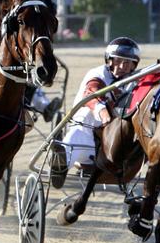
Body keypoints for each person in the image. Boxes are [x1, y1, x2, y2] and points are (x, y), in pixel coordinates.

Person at [50, 37, 140, 187]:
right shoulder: (98, 74)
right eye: (118, 60)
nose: (122, 66)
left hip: (114, 145)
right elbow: (91, 93)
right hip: (87, 137)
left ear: (133, 65)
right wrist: (104, 114)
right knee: (83, 124)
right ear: (109, 60)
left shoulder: (135, 81)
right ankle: (61, 161)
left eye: (128, 62)